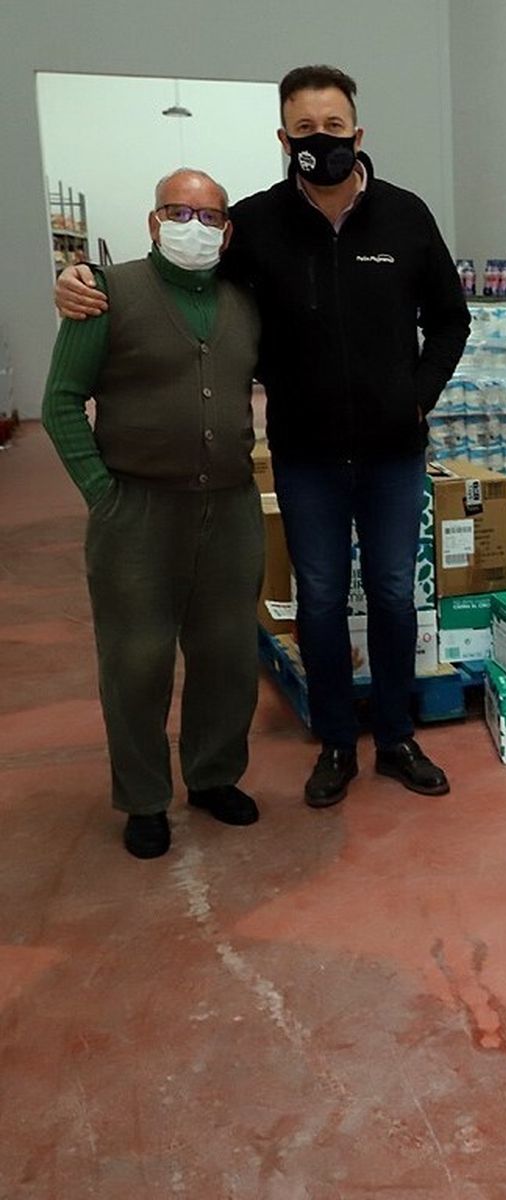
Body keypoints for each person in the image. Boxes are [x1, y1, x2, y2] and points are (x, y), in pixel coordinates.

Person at [58, 65, 470, 810]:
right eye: (305, 131)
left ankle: (398, 737)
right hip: (305, 455)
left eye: (334, 129)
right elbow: (187, 281)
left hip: (392, 456)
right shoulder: (257, 223)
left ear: (358, 133)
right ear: (284, 137)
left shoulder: (407, 217)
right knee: (315, 598)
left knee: (392, 594)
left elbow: (451, 319)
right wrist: (84, 279)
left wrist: (417, 398)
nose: (321, 142)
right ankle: (338, 741)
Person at [42, 170, 263, 859]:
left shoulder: (243, 303)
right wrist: (102, 494)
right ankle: (143, 798)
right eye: (178, 211)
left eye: (208, 215)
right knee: (136, 661)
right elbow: (59, 402)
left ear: (227, 231)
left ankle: (213, 775)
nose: (193, 225)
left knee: (226, 655)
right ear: (152, 220)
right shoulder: (107, 293)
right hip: (136, 508)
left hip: (229, 506)